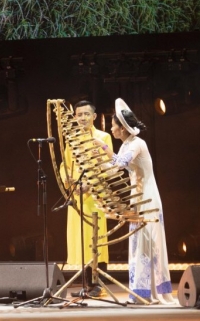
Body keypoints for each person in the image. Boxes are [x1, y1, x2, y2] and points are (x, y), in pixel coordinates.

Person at [109, 99, 175, 304]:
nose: (111, 129)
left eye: (113, 125)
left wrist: (105, 150)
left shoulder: (138, 143)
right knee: (139, 244)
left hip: (148, 198)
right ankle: (140, 292)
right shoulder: (126, 145)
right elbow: (114, 168)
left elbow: (121, 163)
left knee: (151, 243)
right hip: (137, 199)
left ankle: (153, 292)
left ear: (122, 128)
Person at [61, 100, 112, 276]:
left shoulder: (103, 137)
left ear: (94, 116)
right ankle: (85, 281)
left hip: (95, 195)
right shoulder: (72, 140)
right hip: (77, 195)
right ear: (75, 117)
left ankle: (97, 280)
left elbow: (108, 166)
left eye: (86, 114)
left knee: (96, 236)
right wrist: (69, 180)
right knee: (79, 238)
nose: (83, 118)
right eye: (79, 115)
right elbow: (65, 165)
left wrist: (89, 185)